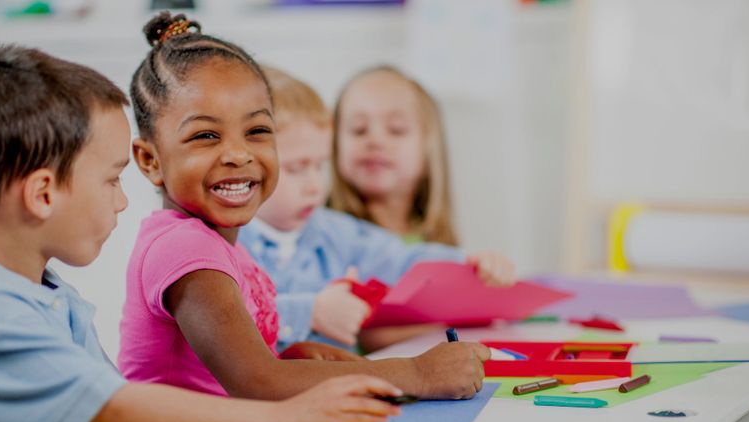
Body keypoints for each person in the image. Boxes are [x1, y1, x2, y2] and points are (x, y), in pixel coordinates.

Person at [0, 44, 402, 422]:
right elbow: (117, 408)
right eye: (110, 181)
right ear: (43, 194)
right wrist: (288, 418)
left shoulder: (46, 293)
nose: (122, 202)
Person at [119, 12, 490, 402]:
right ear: (150, 161)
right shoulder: (185, 250)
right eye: (206, 135)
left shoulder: (223, 245)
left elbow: (239, 371)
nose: (238, 154)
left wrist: (292, 358)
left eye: (257, 131)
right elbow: (258, 382)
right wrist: (416, 373)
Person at [240, 67, 515, 352]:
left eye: (320, 166)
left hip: (340, 388)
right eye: (297, 168)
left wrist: (469, 263)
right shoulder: (228, 241)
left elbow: (401, 260)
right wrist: (310, 313)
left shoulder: (335, 230)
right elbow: (225, 317)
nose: (315, 186)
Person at [329, 65, 459, 245]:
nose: (375, 140)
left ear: (428, 149)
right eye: (359, 129)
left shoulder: (439, 249)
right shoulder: (321, 239)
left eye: (396, 129)